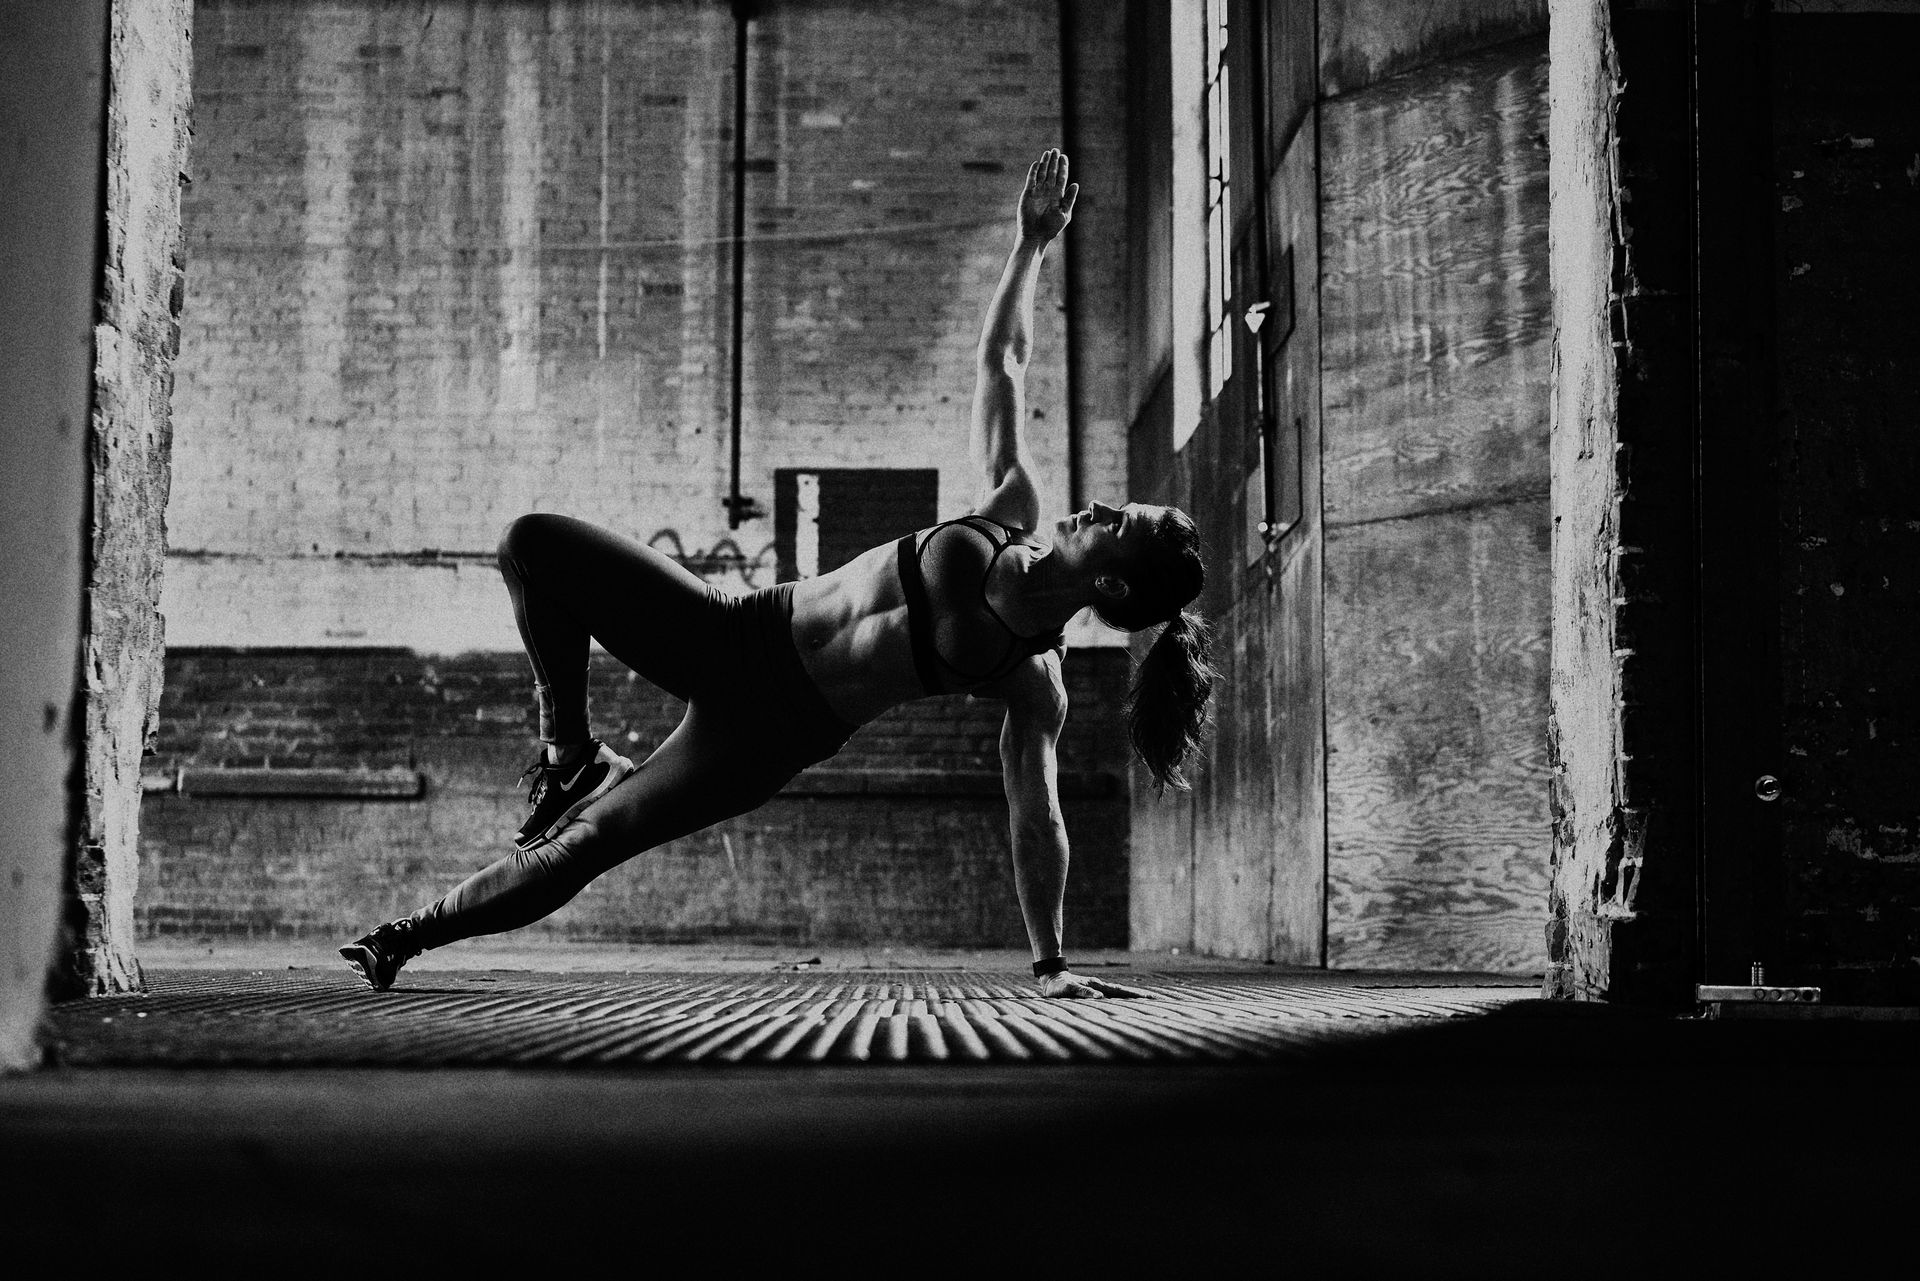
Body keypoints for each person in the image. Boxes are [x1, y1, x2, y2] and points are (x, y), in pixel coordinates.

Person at [340, 150, 1214, 997]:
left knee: (594, 839)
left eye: (1116, 527)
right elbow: (1004, 364)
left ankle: (404, 936)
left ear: (1112, 590)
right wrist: (1031, 244)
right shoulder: (1012, 507)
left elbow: (1039, 817)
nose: (1098, 508)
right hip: (739, 631)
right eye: (1116, 504)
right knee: (531, 543)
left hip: (773, 735)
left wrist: (1052, 965)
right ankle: (570, 751)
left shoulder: (1033, 678)